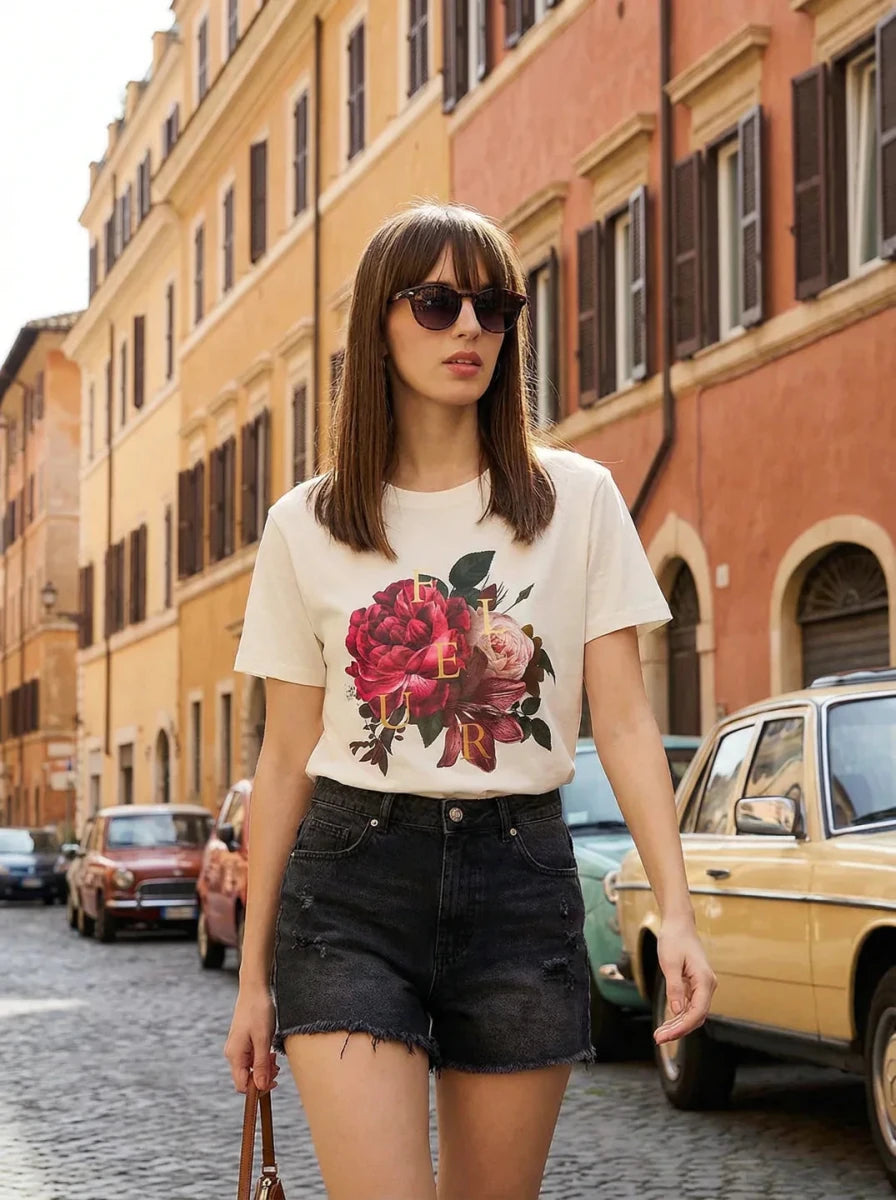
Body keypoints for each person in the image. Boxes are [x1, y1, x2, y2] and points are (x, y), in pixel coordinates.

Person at [225, 200, 715, 1200]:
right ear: (379, 323)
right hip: (350, 891)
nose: (469, 329)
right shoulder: (305, 524)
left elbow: (625, 723)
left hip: (518, 883)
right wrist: (252, 977)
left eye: (494, 307)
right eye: (436, 303)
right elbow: (283, 759)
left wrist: (676, 910)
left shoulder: (576, 499)